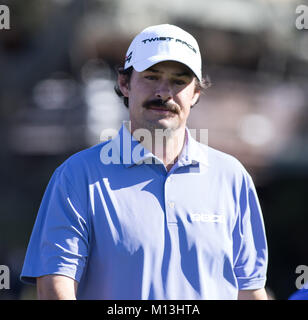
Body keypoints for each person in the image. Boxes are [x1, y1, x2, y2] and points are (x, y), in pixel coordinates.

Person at [20, 24, 268, 300]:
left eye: (179, 81)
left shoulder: (231, 176)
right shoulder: (77, 176)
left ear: (195, 93)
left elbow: (249, 289)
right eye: (151, 77)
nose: (164, 92)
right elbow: (56, 287)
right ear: (124, 84)